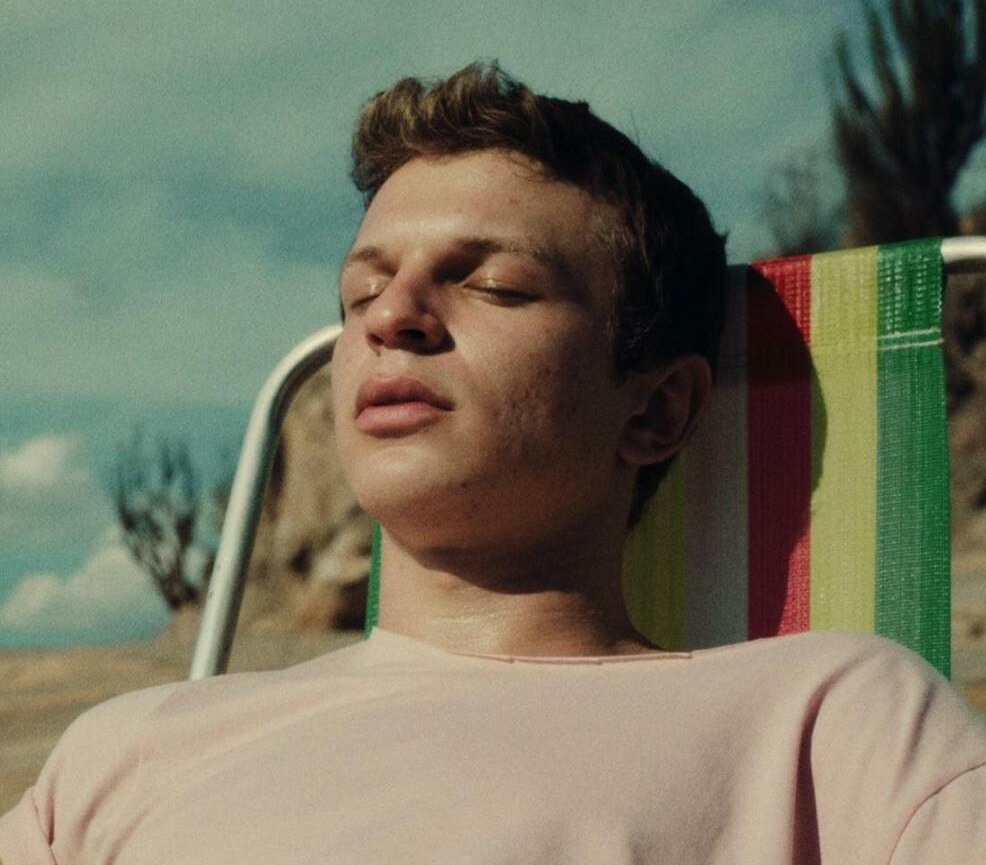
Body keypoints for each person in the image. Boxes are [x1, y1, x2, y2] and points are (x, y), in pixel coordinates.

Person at [1, 62, 984, 864]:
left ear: (655, 409)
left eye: (496, 286)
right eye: (360, 293)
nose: (391, 317)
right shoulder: (128, 751)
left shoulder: (828, 723)